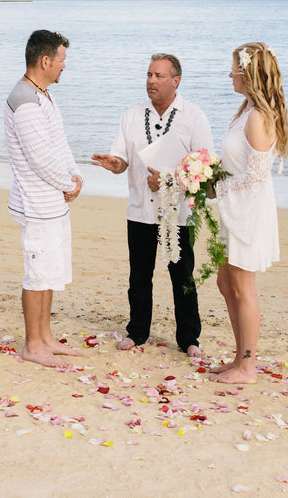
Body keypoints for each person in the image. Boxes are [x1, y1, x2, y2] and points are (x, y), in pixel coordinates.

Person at [91, 54, 213, 359]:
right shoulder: (131, 116)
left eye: (158, 76)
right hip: (140, 211)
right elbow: (122, 161)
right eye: (148, 75)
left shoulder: (194, 117)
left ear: (176, 81)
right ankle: (137, 332)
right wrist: (115, 163)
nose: (151, 81)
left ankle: (189, 338)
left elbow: (205, 169)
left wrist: (171, 180)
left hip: (179, 215)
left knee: (183, 278)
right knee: (139, 277)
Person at [209, 42, 288, 384]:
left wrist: (214, 187)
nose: (230, 74)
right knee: (226, 282)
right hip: (233, 209)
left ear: (248, 74)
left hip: (248, 213)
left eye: (234, 69)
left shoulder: (258, 117)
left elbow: (257, 175)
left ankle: (248, 366)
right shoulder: (245, 109)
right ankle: (239, 355)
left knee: (243, 288)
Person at [4, 29, 84, 368]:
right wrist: (68, 184)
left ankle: (46, 337)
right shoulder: (24, 100)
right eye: (62, 60)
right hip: (36, 203)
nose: (65, 66)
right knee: (37, 274)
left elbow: (58, 143)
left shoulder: (44, 95)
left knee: (50, 271)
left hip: (52, 202)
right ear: (45, 60)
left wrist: (74, 174)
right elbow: (38, 157)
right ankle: (32, 344)